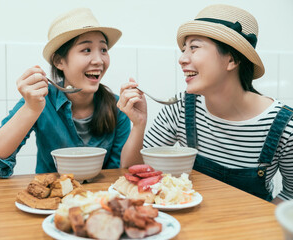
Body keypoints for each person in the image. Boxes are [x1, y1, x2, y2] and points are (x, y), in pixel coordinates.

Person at [117, 4, 293, 204]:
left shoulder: (284, 125)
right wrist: (139, 125)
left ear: (231, 60)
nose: (182, 59)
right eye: (184, 49)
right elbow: (132, 172)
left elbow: (290, 195)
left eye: (194, 47)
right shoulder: (182, 107)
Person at [0, 8, 130, 178]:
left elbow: (122, 173)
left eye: (103, 50)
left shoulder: (118, 107)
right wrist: (31, 109)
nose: (99, 60)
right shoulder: (40, 100)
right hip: (49, 200)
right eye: (86, 50)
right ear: (59, 61)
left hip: (101, 201)